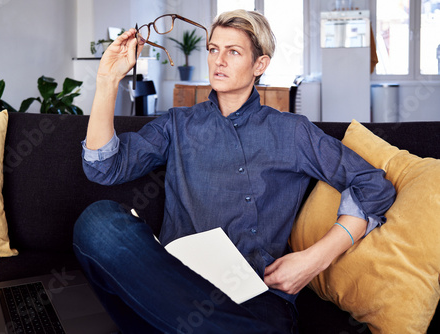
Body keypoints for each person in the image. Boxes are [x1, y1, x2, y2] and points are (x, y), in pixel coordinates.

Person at [73, 9, 396, 334]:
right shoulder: (177, 124)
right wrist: (107, 80)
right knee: (98, 221)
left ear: (260, 64)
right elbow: (104, 166)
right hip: (175, 285)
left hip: (257, 298)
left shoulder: (292, 132)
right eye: (213, 49)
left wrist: (315, 259)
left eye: (233, 52)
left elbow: (373, 186)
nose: (219, 61)